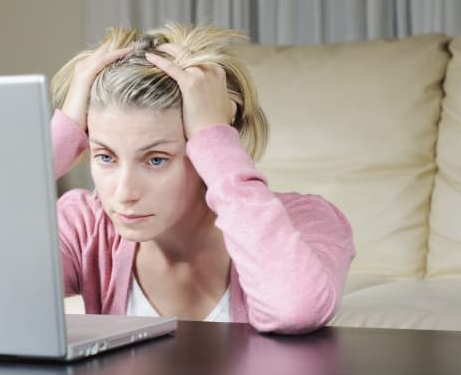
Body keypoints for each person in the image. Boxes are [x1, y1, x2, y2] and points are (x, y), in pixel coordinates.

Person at [49, 22, 355, 334]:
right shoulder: (84, 226)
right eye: (105, 157)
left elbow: (295, 310)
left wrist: (214, 136)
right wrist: (58, 137)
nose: (124, 193)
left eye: (156, 159)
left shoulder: (306, 222)